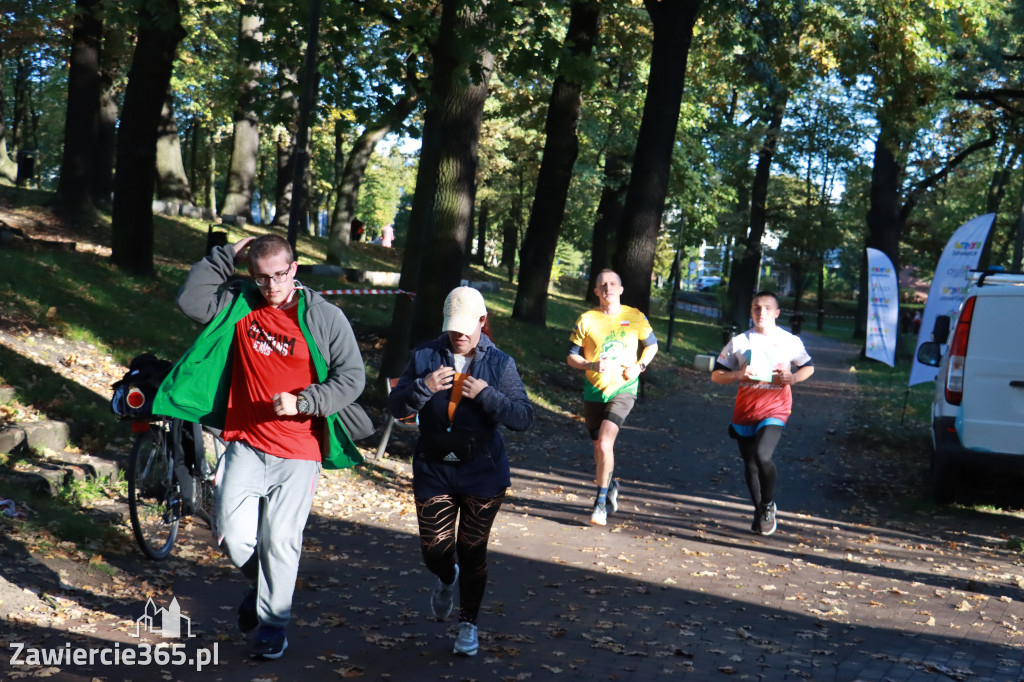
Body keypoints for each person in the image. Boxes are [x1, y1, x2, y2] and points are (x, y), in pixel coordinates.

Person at [152, 234, 370, 660]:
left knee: (281, 540)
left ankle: (273, 624)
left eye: (278, 276)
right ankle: (265, 586)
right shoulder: (240, 303)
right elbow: (191, 300)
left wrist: (305, 400)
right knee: (232, 537)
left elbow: (352, 377)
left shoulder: (325, 316)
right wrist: (227, 253)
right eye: (260, 277)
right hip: (246, 444)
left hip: (299, 449)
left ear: (294, 269)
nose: (271, 286)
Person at [388, 286, 533, 657]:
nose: (461, 335)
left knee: (472, 551)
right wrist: (424, 387)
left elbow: (523, 417)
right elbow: (395, 405)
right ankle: (445, 576)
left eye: (469, 327)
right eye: (454, 327)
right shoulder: (424, 356)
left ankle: (468, 624)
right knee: (435, 551)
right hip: (434, 468)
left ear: (482, 322)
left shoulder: (500, 363)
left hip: (482, 472)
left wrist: (487, 395)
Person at [711, 290, 814, 536]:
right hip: (746, 410)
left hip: (776, 407)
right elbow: (716, 375)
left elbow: (808, 367)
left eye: (767, 308)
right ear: (751, 312)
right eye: (757, 308)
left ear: (777, 313)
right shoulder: (739, 342)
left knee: (762, 455)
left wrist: (794, 378)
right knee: (750, 464)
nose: (762, 312)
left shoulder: (790, 341)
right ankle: (760, 510)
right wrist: (737, 375)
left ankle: (768, 504)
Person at [567, 269, 658, 526]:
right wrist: (591, 365)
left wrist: (639, 367)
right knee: (598, 447)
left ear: (621, 289)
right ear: (596, 291)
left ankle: (600, 504)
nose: (608, 288)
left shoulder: (634, 317)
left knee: (605, 444)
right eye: (603, 285)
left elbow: (652, 345)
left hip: (624, 388)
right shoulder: (586, 320)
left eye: (613, 283)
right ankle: (611, 484)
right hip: (594, 390)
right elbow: (571, 355)